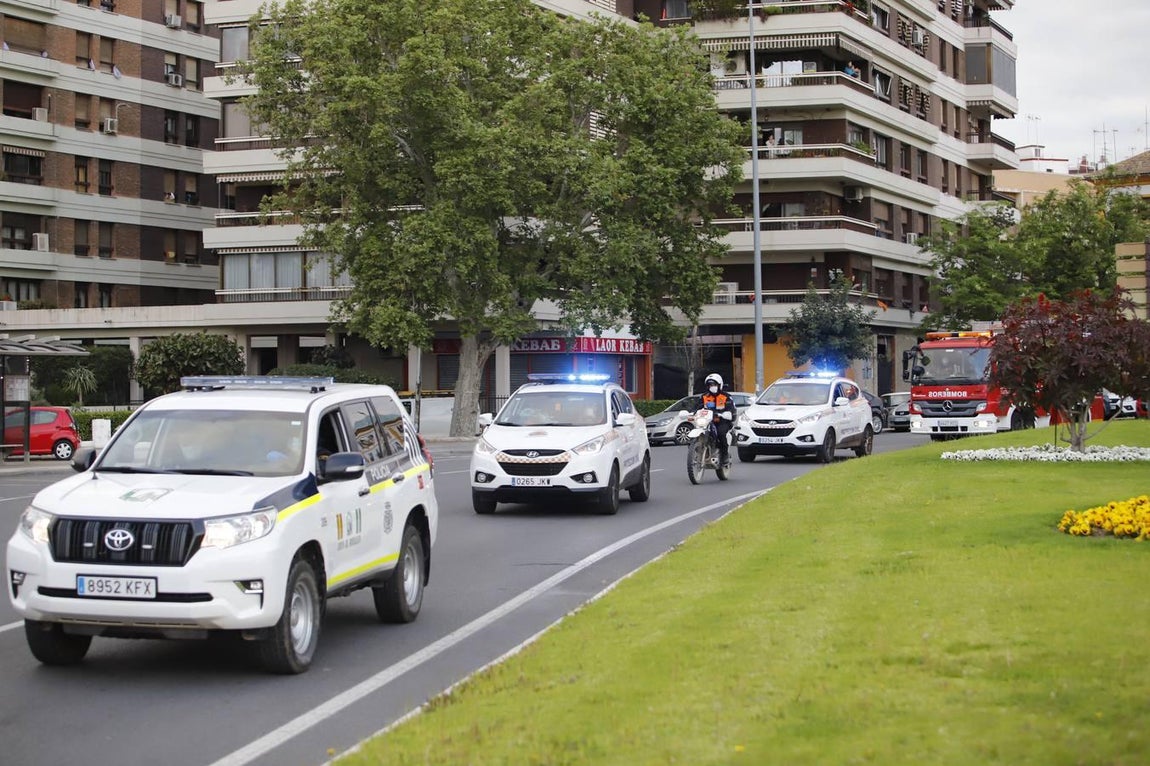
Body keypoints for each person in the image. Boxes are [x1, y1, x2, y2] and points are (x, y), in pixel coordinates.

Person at [700, 373, 737, 467]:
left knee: (721, 433)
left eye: (714, 385)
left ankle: (725, 456)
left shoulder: (726, 396)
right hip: (708, 421)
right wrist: (691, 413)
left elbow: (731, 409)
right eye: (710, 385)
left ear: (719, 385)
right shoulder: (704, 396)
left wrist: (726, 414)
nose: (712, 387)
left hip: (722, 421)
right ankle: (696, 451)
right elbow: (697, 407)